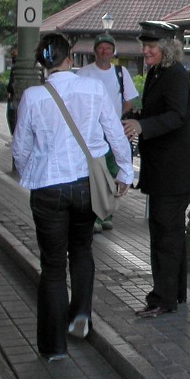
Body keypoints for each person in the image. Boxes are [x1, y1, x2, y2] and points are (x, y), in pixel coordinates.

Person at [12, 33, 133, 361]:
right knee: (81, 249)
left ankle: (54, 348)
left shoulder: (33, 96)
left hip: (48, 188)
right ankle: (81, 313)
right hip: (85, 186)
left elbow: (21, 146)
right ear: (70, 58)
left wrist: (28, 174)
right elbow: (114, 132)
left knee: (52, 267)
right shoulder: (92, 89)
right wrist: (125, 171)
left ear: (43, 62)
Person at [123, 21, 190, 318]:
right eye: (144, 46)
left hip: (175, 170)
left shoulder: (175, 76)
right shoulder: (160, 72)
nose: (145, 51)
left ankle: (162, 300)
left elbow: (177, 116)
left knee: (164, 234)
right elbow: (163, 111)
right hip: (168, 169)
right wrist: (138, 116)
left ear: (167, 49)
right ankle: (175, 294)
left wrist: (142, 125)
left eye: (151, 47)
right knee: (171, 233)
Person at [76, 33, 139, 233]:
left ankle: (107, 213)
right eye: (101, 48)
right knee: (95, 172)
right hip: (90, 131)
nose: (104, 51)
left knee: (113, 171)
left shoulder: (120, 73)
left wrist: (114, 118)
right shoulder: (83, 73)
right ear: (95, 51)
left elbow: (129, 99)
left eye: (108, 48)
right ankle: (96, 215)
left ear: (113, 51)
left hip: (114, 130)